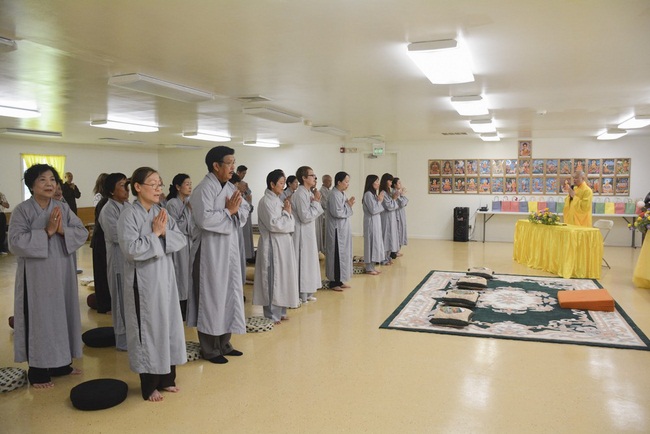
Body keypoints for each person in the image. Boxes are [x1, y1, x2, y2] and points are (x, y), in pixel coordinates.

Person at [8, 164, 87, 388]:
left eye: (52, 179)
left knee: (63, 315)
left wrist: (62, 230)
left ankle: (62, 364)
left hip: (62, 273)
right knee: (40, 319)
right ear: (31, 185)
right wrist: (47, 232)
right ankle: (38, 370)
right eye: (42, 180)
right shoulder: (22, 210)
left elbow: (81, 232)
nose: (50, 184)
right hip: (37, 277)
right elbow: (15, 243)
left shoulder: (62, 207)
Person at [117, 167, 187, 401]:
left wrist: (164, 233)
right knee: (148, 330)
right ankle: (149, 386)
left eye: (160, 184)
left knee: (168, 326)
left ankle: (167, 378)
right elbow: (130, 250)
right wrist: (156, 234)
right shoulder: (129, 215)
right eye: (153, 184)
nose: (158, 189)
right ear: (137, 187)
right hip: (144, 283)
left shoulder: (161, 211)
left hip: (165, 278)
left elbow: (180, 239)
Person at [188, 146, 249, 364]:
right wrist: (228, 211)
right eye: (229, 163)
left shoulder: (230, 187)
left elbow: (244, 210)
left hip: (228, 250)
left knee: (229, 294)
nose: (233, 167)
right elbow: (204, 220)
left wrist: (234, 211)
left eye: (234, 163)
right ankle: (210, 349)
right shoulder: (203, 189)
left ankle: (224, 343)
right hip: (210, 253)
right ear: (216, 165)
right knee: (211, 297)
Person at [253, 169, 299, 323]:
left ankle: (281, 311)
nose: (283, 186)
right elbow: (275, 225)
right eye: (280, 183)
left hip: (283, 244)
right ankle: (271, 314)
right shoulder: (266, 202)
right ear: (272, 184)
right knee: (273, 278)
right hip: (273, 244)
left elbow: (291, 224)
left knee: (284, 277)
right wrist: (286, 214)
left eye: (284, 183)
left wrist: (287, 214)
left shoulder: (279, 200)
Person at [99, 173, 131, 350]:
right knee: (120, 302)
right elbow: (115, 235)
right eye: (122, 185)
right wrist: (137, 235)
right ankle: (122, 340)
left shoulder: (128, 206)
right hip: (118, 261)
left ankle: (133, 337)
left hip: (131, 260)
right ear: (111, 191)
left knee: (130, 301)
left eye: (127, 185)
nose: (127, 189)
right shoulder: (108, 210)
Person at [165, 173, 196, 320]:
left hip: (190, 241)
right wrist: (187, 211)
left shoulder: (189, 201)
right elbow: (175, 227)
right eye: (187, 184)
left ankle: (190, 306)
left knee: (190, 274)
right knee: (181, 274)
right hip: (179, 244)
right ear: (178, 187)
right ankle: (180, 307)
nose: (190, 187)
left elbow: (194, 223)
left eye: (190, 184)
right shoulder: (172, 204)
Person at [291, 166, 324, 302]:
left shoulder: (308, 193)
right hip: (302, 234)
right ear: (304, 178)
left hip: (308, 232)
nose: (314, 178)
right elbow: (305, 217)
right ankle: (301, 294)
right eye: (312, 175)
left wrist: (315, 202)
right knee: (303, 263)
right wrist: (315, 202)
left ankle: (308, 292)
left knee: (309, 262)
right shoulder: (300, 194)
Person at [325, 171, 355, 290]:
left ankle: (340, 280)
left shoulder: (341, 194)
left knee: (343, 255)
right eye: (346, 182)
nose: (348, 184)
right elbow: (337, 212)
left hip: (343, 229)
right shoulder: (334, 195)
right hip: (336, 230)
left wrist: (348, 204)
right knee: (336, 255)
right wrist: (348, 205)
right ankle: (334, 282)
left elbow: (344, 209)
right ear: (339, 182)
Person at [90, 179, 112, 314]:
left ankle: (105, 303)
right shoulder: (104, 202)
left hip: (104, 240)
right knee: (102, 274)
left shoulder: (109, 202)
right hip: (101, 241)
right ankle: (104, 304)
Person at [362, 175, 385, 275]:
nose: (378, 184)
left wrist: (379, 200)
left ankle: (372, 266)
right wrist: (380, 201)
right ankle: (369, 268)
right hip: (370, 223)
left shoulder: (373, 194)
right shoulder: (368, 194)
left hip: (376, 222)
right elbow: (373, 210)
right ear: (371, 183)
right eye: (376, 181)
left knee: (375, 243)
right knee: (370, 244)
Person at [236, 165, 255, 264]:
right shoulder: (234, 187)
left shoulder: (245, 185)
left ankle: (246, 256)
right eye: (243, 173)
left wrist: (248, 200)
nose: (244, 175)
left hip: (246, 215)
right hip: (239, 217)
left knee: (246, 237)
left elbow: (249, 197)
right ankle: (241, 257)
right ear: (238, 172)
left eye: (245, 174)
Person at [379, 173, 399, 265]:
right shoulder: (383, 192)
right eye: (390, 181)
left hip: (391, 218)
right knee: (385, 237)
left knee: (390, 237)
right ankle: (383, 258)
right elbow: (389, 206)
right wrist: (394, 199)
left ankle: (388, 257)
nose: (391, 183)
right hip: (386, 218)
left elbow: (395, 206)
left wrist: (394, 198)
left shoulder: (388, 192)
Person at [316, 174, 332, 254]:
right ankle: (324, 251)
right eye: (329, 181)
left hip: (330, 216)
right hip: (324, 216)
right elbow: (325, 204)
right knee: (324, 235)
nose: (330, 183)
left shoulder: (330, 191)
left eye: (331, 181)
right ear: (324, 181)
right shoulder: (321, 191)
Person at [393, 177, 408, 257]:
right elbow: (402, 203)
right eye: (399, 183)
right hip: (397, 214)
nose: (400, 184)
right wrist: (402, 195)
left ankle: (397, 250)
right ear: (394, 185)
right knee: (398, 231)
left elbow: (405, 202)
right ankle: (395, 251)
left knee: (401, 231)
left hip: (401, 214)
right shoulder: (395, 192)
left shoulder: (398, 192)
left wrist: (402, 196)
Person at [0, 188, 9, 254]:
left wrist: (1, 202)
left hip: (1, 215)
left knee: (2, 232)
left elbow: (7, 206)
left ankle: (1, 249)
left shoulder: (1, 195)